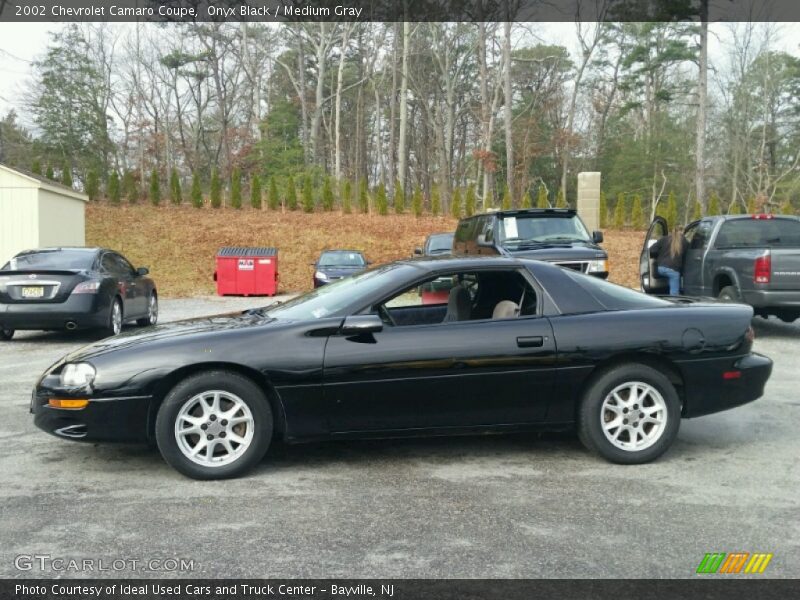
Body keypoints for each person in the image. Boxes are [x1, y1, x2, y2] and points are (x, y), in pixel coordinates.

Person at [649, 225, 688, 296]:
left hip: (660, 269)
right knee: (674, 294)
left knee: (669, 276)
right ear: (683, 232)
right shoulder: (684, 241)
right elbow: (687, 255)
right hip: (673, 271)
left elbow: (651, 250)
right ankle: (673, 300)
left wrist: (660, 253)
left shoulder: (664, 239)